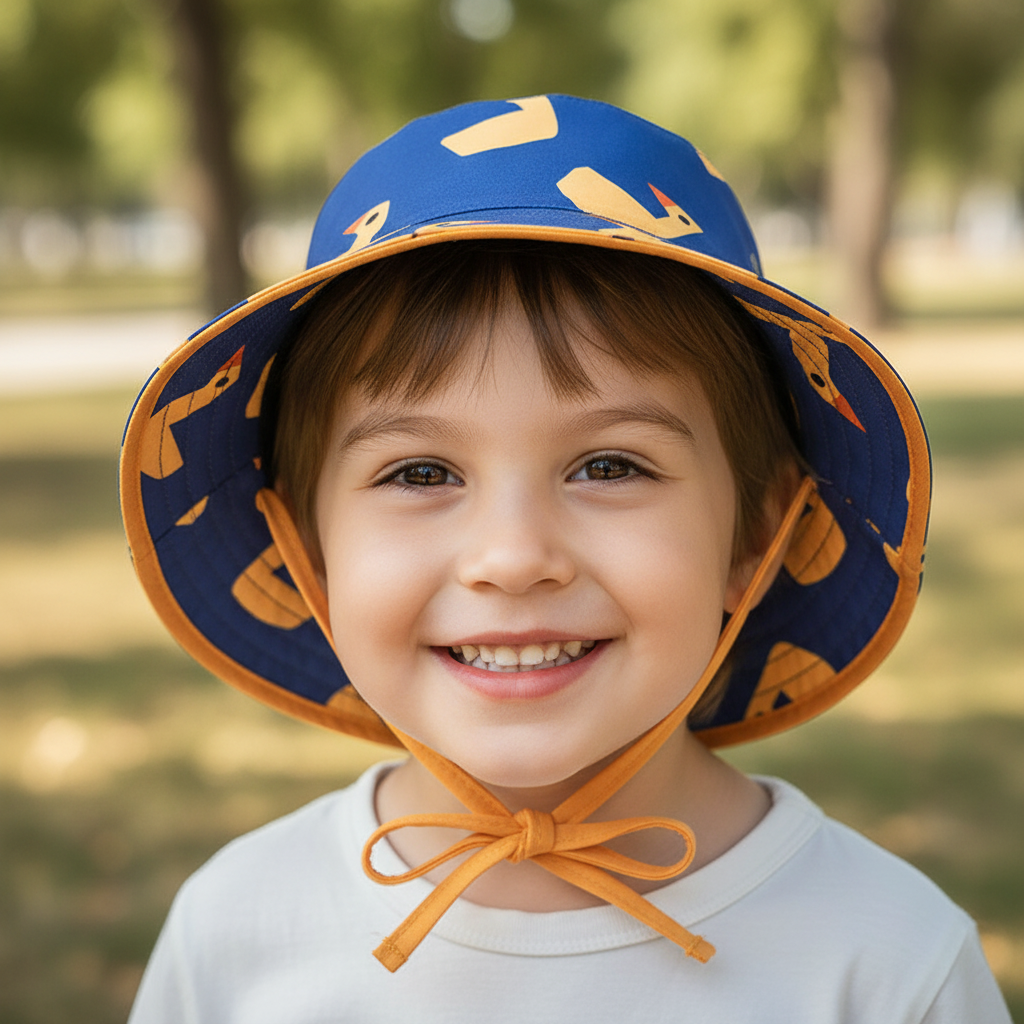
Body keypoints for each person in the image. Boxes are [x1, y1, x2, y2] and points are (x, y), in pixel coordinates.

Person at [121, 95, 1011, 1021]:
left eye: (608, 465)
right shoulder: (234, 935)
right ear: (305, 554)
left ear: (755, 535)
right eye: (420, 471)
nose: (513, 558)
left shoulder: (890, 963)